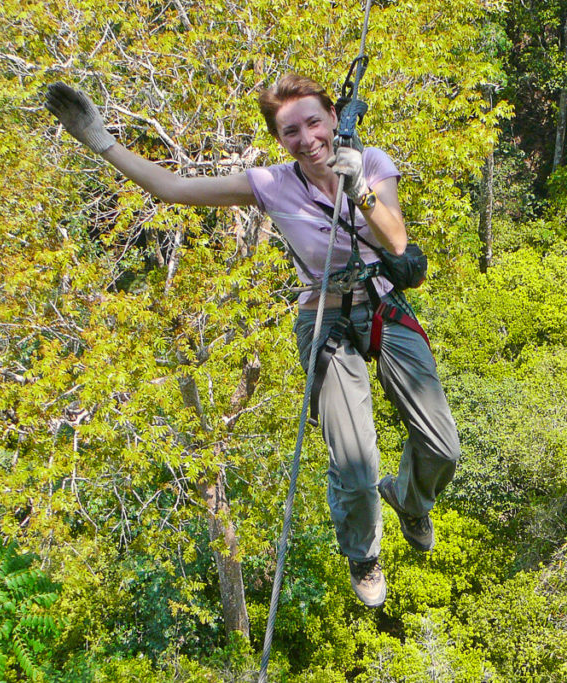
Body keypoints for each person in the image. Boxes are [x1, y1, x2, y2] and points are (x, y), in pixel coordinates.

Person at [45, 74, 460, 608]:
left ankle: (409, 498)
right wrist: (101, 141)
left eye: (314, 122)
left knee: (442, 445)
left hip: (381, 304)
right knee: (355, 469)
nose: (307, 138)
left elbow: (396, 238)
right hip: (325, 319)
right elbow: (170, 189)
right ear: (279, 139)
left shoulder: (372, 162)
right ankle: (363, 552)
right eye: (291, 131)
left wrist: (360, 188)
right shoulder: (270, 183)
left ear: (334, 118)